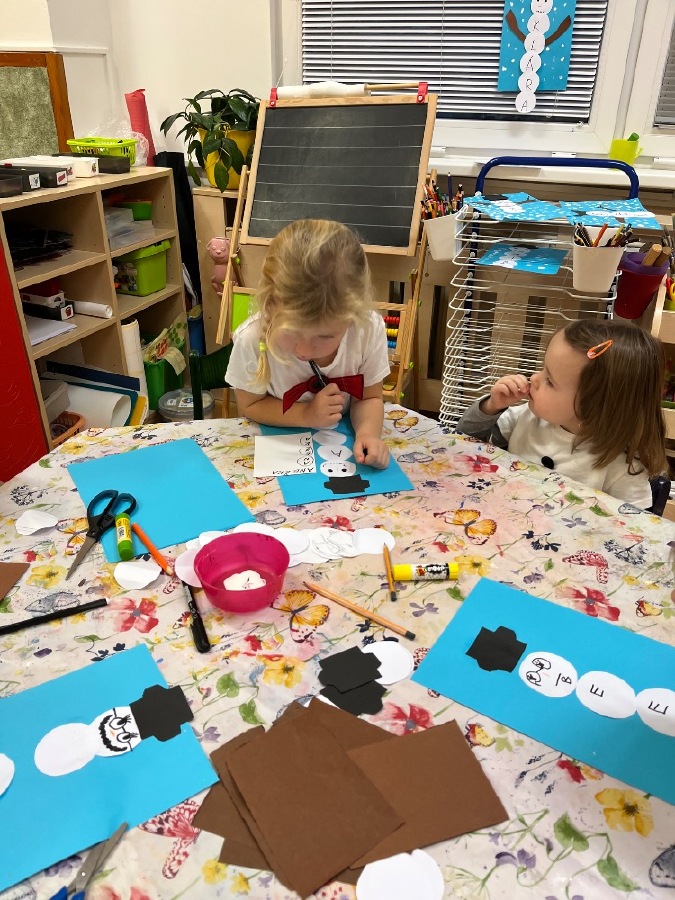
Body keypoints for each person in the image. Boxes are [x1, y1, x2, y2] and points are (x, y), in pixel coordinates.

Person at [225, 219, 391, 468]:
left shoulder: (366, 330)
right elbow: (250, 405)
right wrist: (306, 414)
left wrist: (368, 434)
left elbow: (368, 398)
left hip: (341, 450)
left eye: (325, 337)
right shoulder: (252, 338)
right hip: (278, 449)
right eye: (291, 332)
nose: (303, 351)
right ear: (270, 304)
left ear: (352, 316)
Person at [456, 318, 668, 508]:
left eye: (550, 381)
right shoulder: (525, 417)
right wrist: (491, 406)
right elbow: (462, 441)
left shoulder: (622, 466)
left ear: (594, 407)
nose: (534, 378)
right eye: (543, 369)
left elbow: (634, 527)